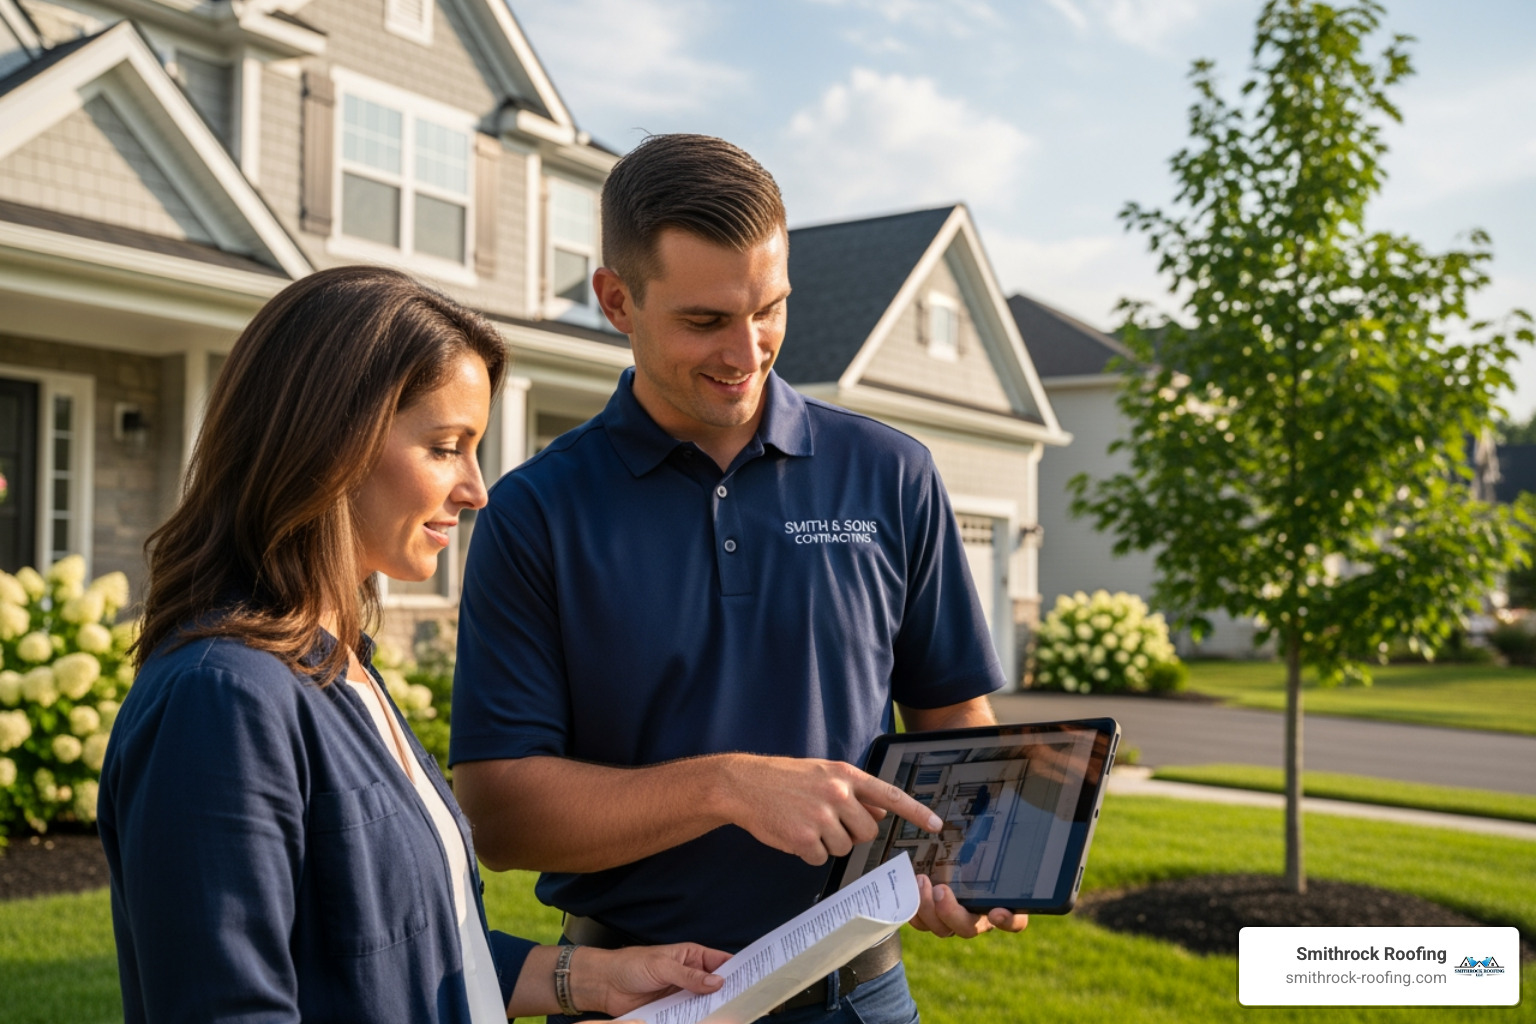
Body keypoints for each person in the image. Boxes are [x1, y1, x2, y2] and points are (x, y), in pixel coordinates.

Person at [450, 135, 1028, 1023]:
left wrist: (966, 856)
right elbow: (501, 820)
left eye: (770, 308)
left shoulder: (891, 474)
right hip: (632, 997)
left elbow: (953, 720)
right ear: (616, 301)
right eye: (705, 321)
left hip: (860, 993)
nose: (747, 350)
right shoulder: (535, 513)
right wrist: (725, 787)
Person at [97, 266, 728, 1024]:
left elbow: (401, 947)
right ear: (331, 442)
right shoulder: (223, 697)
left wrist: (589, 978)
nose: (476, 488)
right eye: (446, 446)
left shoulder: (338, 666)